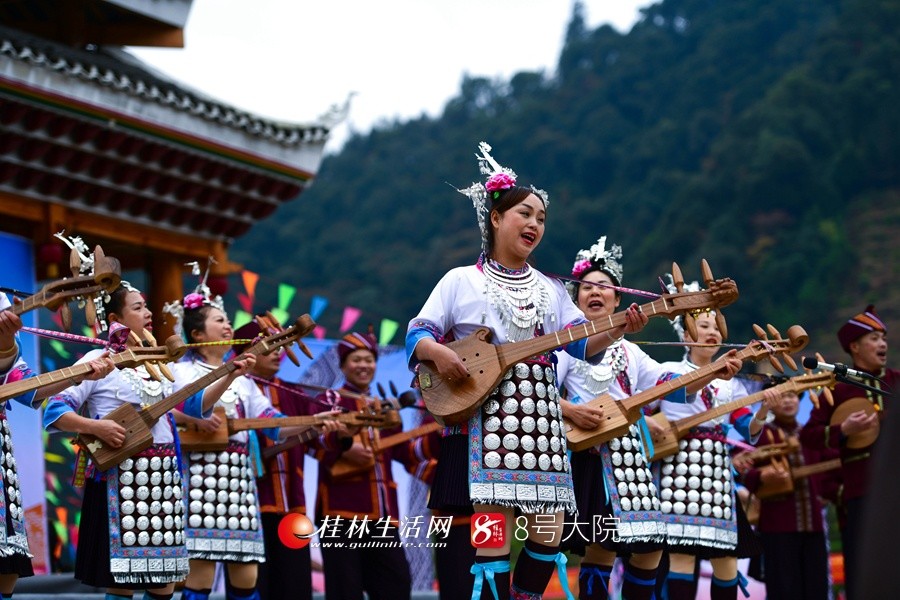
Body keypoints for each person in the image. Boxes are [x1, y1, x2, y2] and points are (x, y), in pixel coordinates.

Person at [406, 142, 645, 600]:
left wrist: (617, 331)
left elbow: (581, 345)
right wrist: (439, 355)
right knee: (491, 539)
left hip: (542, 419)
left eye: (541, 218)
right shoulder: (461, 280)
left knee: (549, 533)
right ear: (496, 218)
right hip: (486, 417)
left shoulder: (553, 290)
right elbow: (417, 334)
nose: (534, 223)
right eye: (525, 214)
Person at [555, 237, 741, 600]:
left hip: (628, 457)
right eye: (587, 288)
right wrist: (572, 409)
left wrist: (713, 372)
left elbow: (668, 386)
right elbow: (543, 390)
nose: (596, 293)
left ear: (618, 299)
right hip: (587, 454)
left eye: (604, 288)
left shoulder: (630, 351)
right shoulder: (565, 342)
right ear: (576, 299)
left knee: (650, 547)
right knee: (600, 546)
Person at [41, 283, 217, 600]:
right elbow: (53, 411)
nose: (148, 313)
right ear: (115, 318)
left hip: (163, 479)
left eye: (146, 306)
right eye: (137, 308)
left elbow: (195, 406)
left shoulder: (160, 363)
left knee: (163, 582)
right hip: (121, 480)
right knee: (123, 580)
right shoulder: (100, 359)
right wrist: (96, 427)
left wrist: (230, 373)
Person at [168, 293, 326, 600]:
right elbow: (160, 410)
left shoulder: (244, 381)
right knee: (200, 570)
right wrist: (195, 418)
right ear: (198, 334)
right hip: (198, 475)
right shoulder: (181, 372)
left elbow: (274, 423)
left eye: (227, 320)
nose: (228, 326)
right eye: (219, 321)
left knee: (246, 574)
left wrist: (314, 420)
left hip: (239, 478)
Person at [656, 302, 777, 600]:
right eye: (703, 326)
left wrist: (763, 410)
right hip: (679, 467)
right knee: (681, 555)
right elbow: (659, 403)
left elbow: (745, 426)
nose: (711, 332)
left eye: (716, 328)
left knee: (726, 558)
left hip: (717, 471)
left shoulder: (733, 385)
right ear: (685, 337)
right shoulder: (669, 371)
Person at [310, 330, 438, 600]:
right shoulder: (330, 401)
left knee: (395, 585)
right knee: (346, 590)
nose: (363, 365)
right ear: (343, 365)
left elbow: (404, 454)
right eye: (356, 360)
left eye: (368, 359)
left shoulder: (385, 409)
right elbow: (312, 440)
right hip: (340, 513)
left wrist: (438, 439)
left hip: (382, 517)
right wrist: (345, 447)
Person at [799, 305, 897, 599]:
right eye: (874, 338)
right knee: (862, 569)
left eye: (884, 338)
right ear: (854, 346)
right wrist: (843, 431)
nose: (882, 344)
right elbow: (809, 436)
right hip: (859, 495)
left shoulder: (895, 382)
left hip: (896, 491)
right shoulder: (837, 389)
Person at [230, 319, 319, 600]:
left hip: (293, 506)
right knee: (254, 586)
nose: (277, 352)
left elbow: (320, 444)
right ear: (246, 354)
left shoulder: (295, 394)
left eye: (279, 345)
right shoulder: (232, 389)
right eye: (268, 347)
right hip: (248, 508)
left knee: (296, 587)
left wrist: (337, 428)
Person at [737, 381, 831, 600]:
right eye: (782, 396)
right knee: (783, 587)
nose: (788, 401)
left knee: (816, 586)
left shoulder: (811, 435)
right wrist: (761, 476)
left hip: (814, 525)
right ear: (770, 403)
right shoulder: (758, 437)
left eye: (793, 396)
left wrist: (827, 492)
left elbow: (830, 468)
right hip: (777, 526)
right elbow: (739, 467)